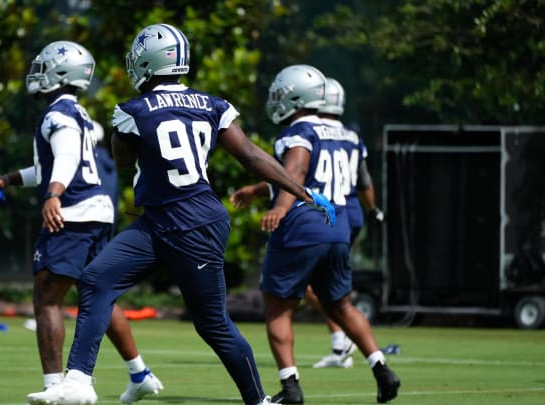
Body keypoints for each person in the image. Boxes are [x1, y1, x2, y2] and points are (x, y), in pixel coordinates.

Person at [44, 24, 333, 405]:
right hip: (169, 220)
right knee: (96, 278)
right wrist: (302, 191)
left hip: (190, 225)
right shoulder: (213, 105)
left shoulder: (132, 111)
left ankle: (259, 401)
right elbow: (251, 156)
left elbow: (124, 156)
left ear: (148, 61)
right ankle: (79, 381)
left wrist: (136, 184)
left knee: (212, 324)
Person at [0, 40, 162, 405]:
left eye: (44, 68)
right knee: (99, 297)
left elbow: (63, 160)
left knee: (47, 298)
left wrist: (53, 195)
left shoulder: (57, 115)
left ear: (60, 74)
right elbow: (52, 166)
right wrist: (8, 179)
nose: (38, 74)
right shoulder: (78, 115)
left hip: (72, 212)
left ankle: (54, 385)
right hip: (95, 211)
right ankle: (139, 373)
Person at [230, 65, 399, 404]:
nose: (274, 100)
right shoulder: (346, 134)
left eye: (279, 93)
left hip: (301, 224)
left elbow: (296, 170)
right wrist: (258, 189)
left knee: (278, 306)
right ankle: (381, 368)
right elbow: (303, 177)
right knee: (342, 304)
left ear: (295, 96)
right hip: (336, 224)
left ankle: (290, 388)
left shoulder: (298, 132)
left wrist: (279, 208)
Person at [306, 77, 385, 369]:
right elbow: (364, 181)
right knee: (326, 284)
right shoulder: (352, 136)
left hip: (328, 213)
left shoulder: (310, 133)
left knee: (310, 285)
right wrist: (374, 208)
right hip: (351, 212)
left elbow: (297, 175)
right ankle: (342, 342)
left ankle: (344, 336)